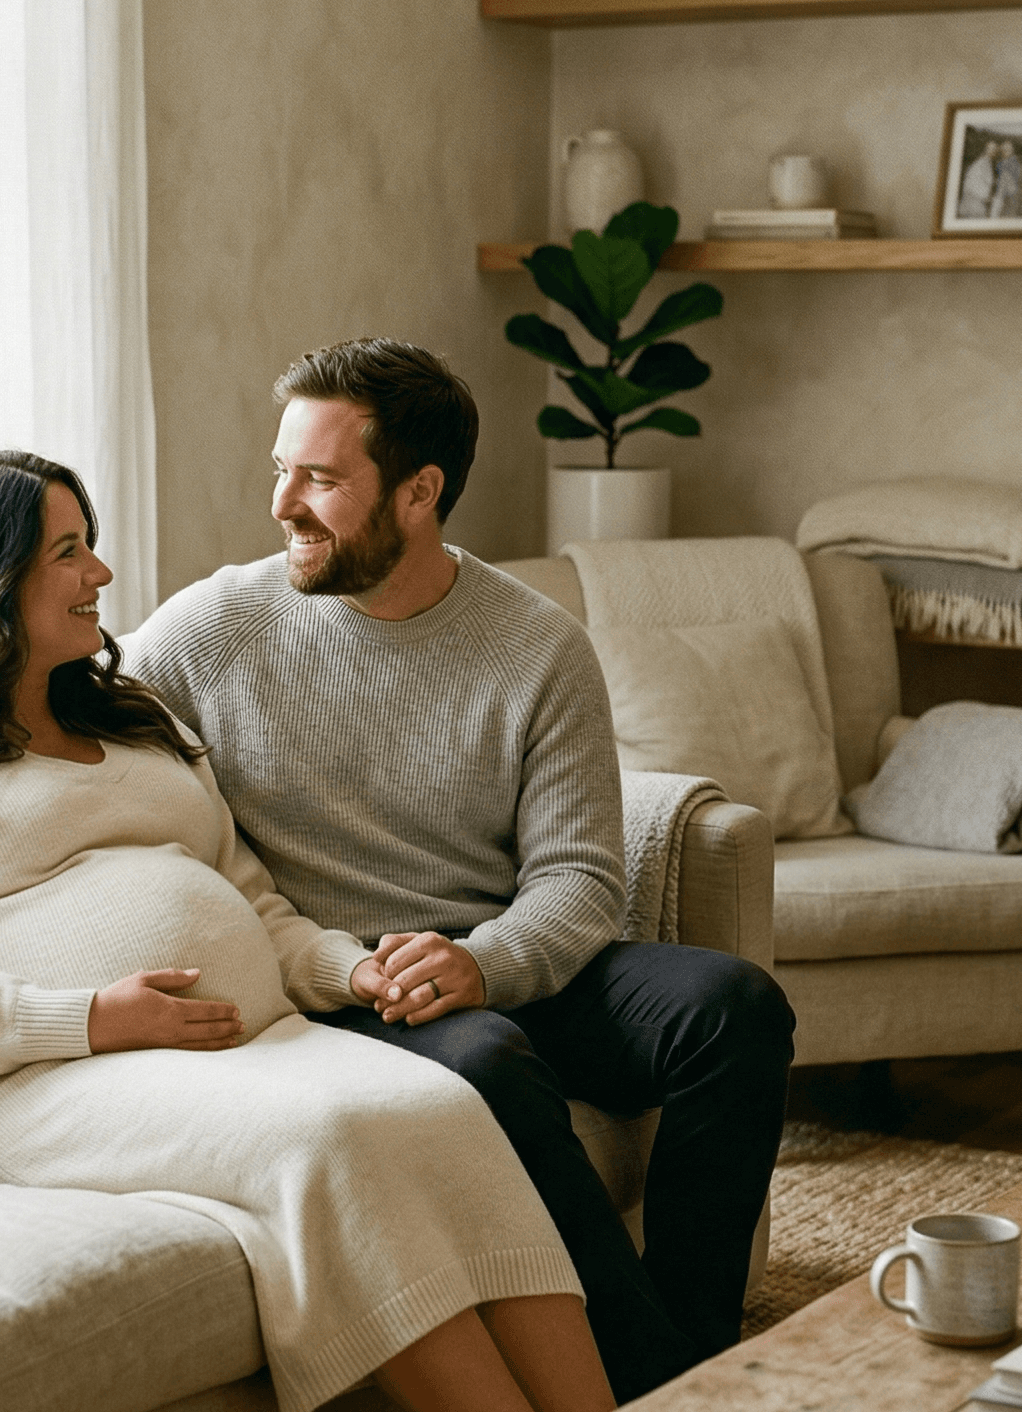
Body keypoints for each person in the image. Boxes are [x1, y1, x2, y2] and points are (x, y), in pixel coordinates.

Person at [0, 449, 616, 1412]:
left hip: (246, 1043)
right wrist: (92, 1019)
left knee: (447, 1108)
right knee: (328, 1136)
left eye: (91, 546)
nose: (100, 576)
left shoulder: (138, 719)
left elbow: (255, 906)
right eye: (69, 553)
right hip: (25, 1083)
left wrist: (352, 975)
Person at [125, 339, 797, 1402]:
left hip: (493, 959)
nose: (283, 504)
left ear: (419, 492)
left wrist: (483, 962)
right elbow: (65, 685)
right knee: (483, 1063)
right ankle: (654, 1379)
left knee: (733, 1006)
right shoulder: (218, 627)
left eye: (321, 478)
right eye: (281, 469)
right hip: (347, 983)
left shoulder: (537, 644)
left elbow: (581, 878)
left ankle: (698, 1340)